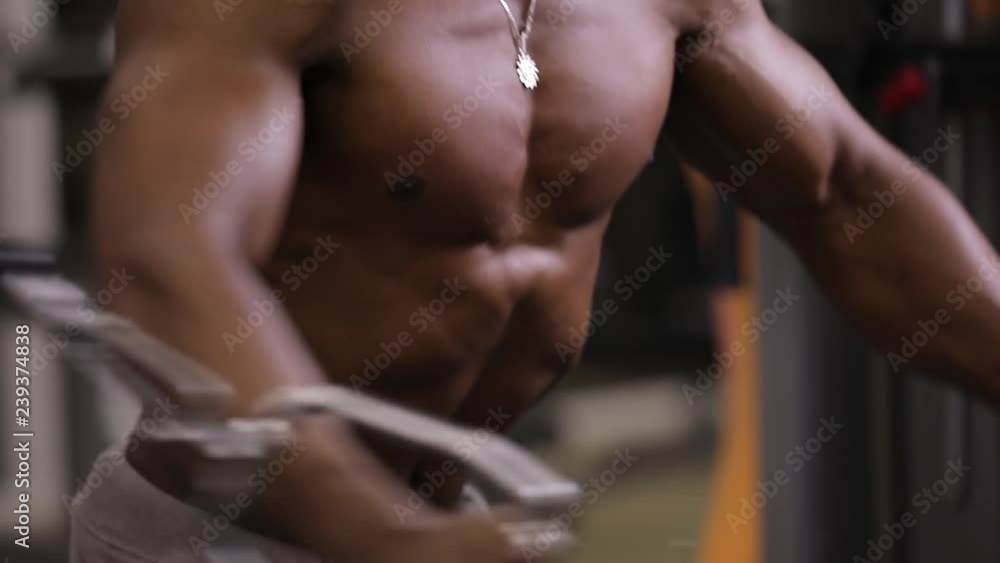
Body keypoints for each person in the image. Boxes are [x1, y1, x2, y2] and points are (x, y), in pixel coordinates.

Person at [78, 0, 1000, 561]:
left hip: (444, 526)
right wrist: (383, 539)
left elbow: (847, 194)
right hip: (223, 538)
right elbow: (165, 264)